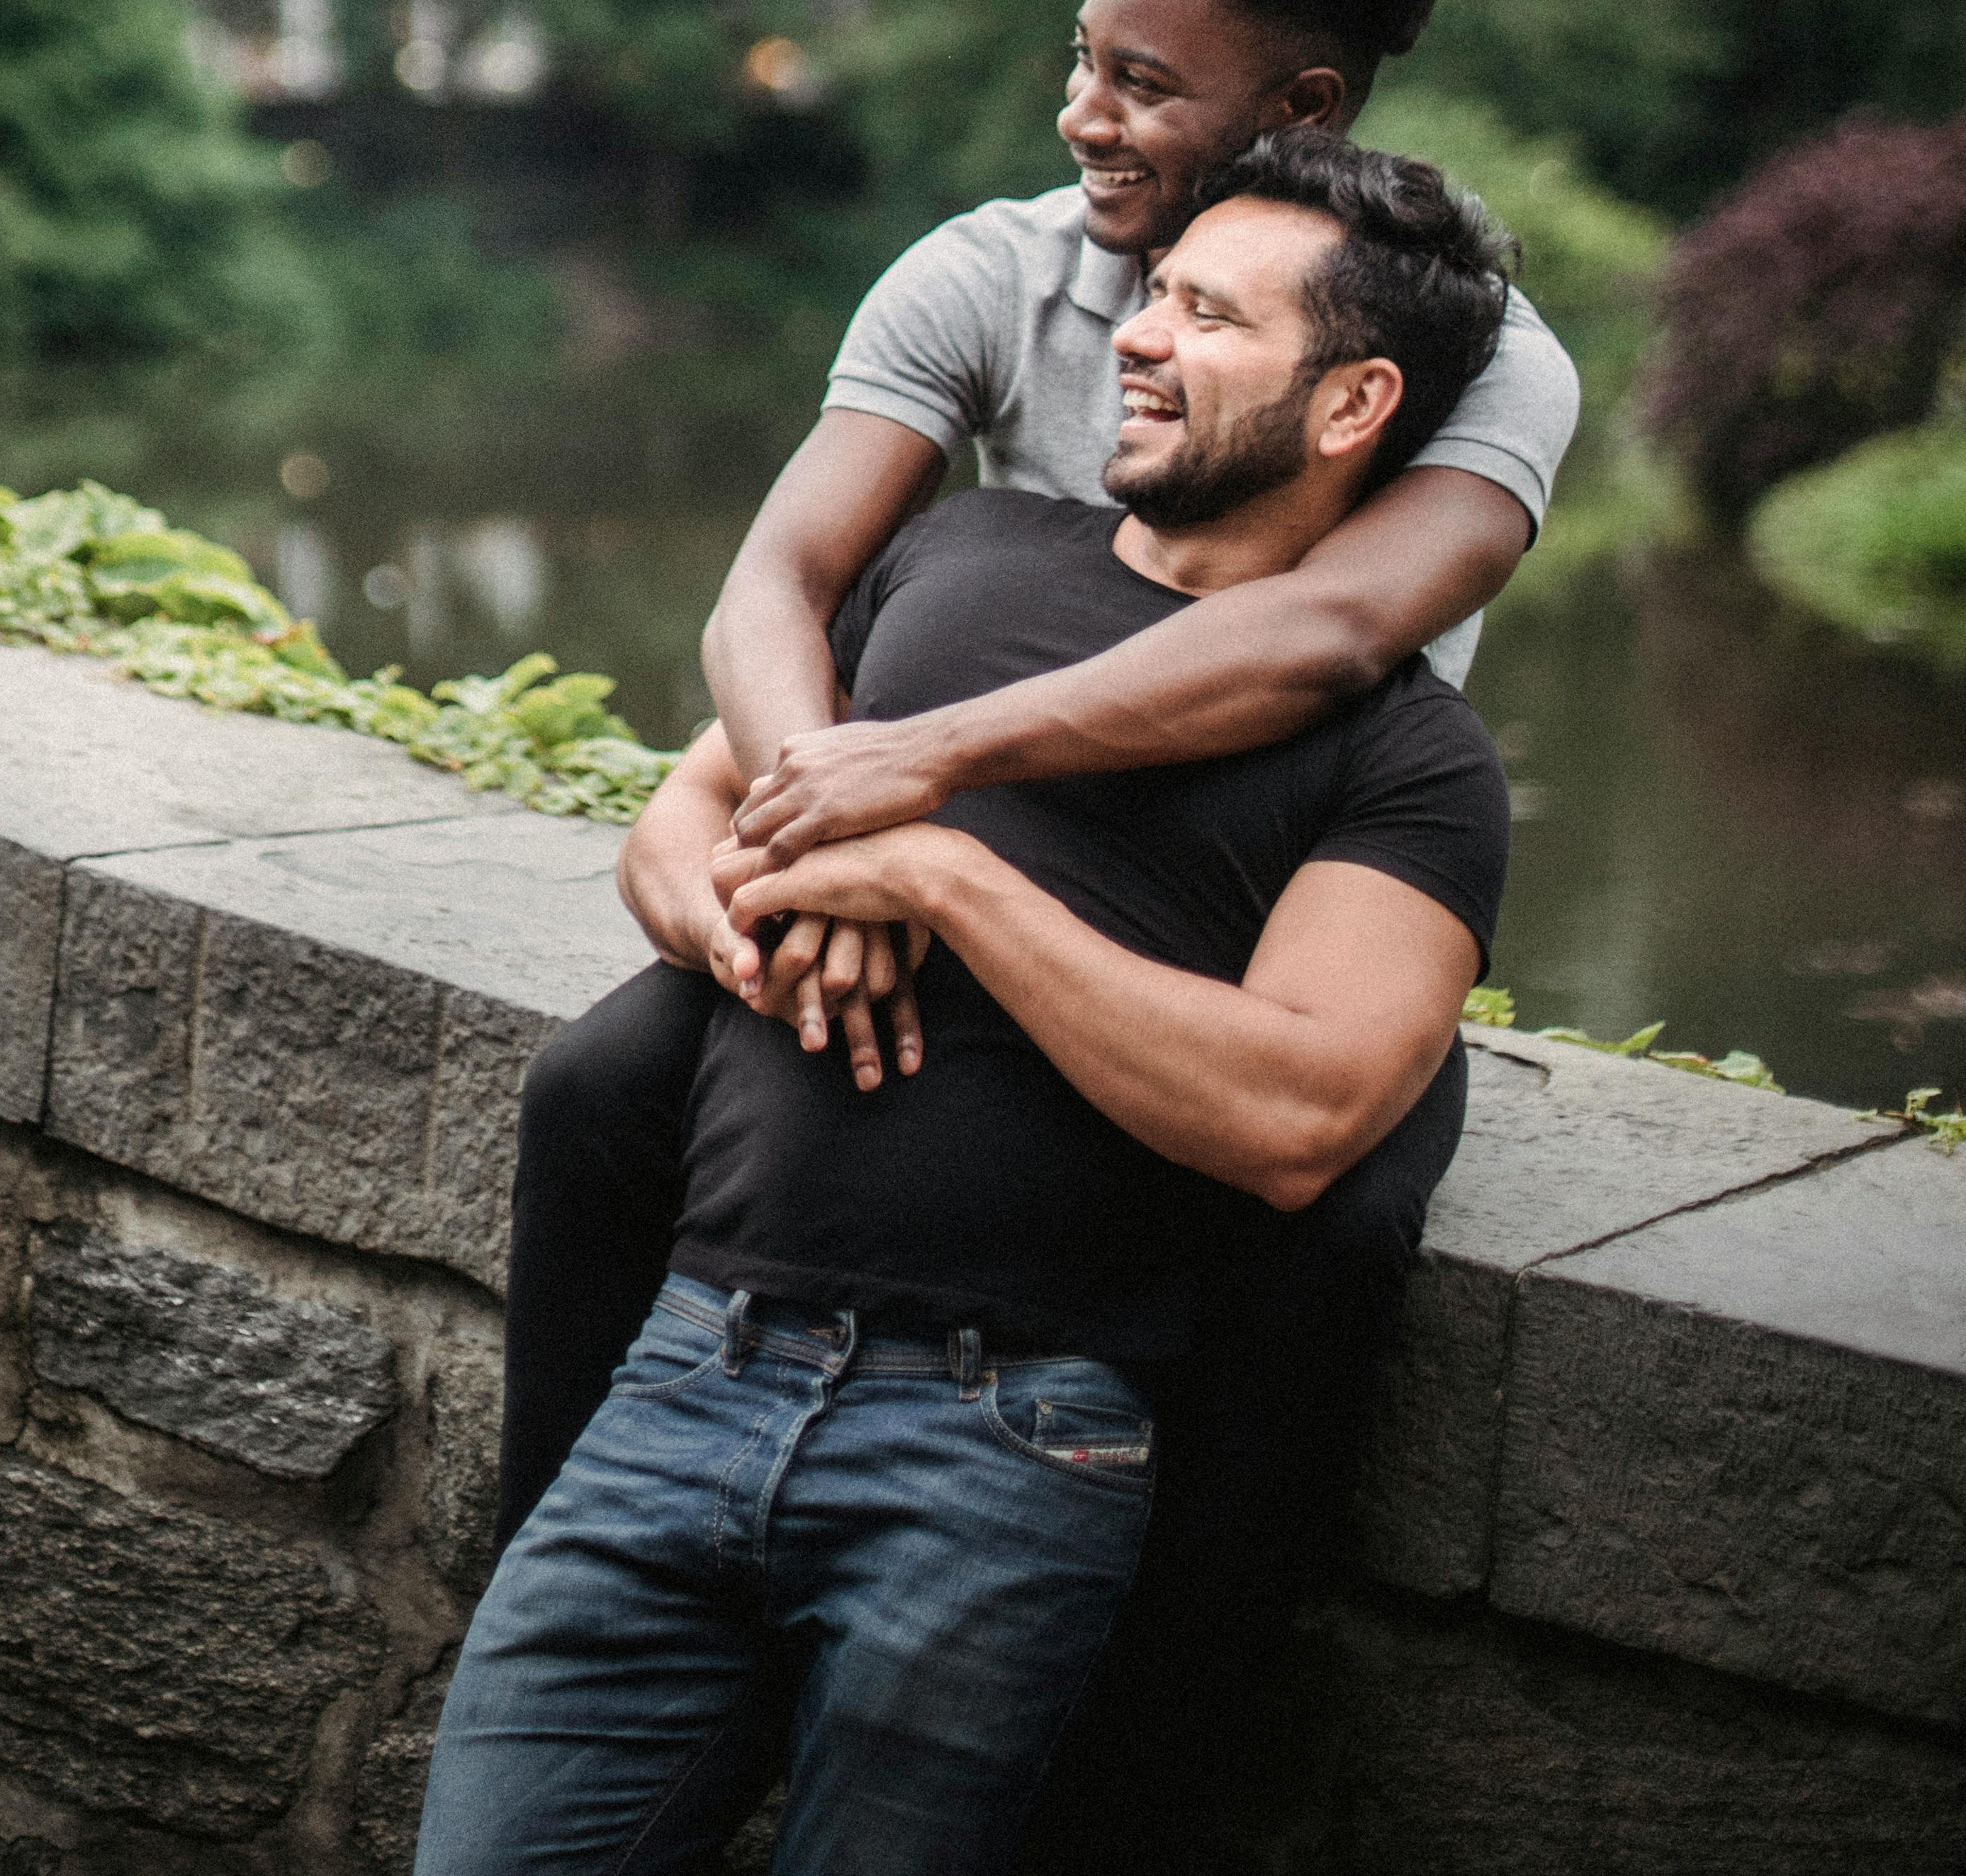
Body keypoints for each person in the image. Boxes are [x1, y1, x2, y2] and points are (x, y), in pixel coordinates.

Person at [417, 132, 1515, 1876]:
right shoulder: (962, 550)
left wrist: (935, 876)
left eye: (1209, 318)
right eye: (1152, 297)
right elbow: (680, 819)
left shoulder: (1406, 757)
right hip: (680, 1374)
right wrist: (767, 920)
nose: (1138, 339)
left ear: (1348, 402)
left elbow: (1299, 1116)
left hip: (1001, 1452)